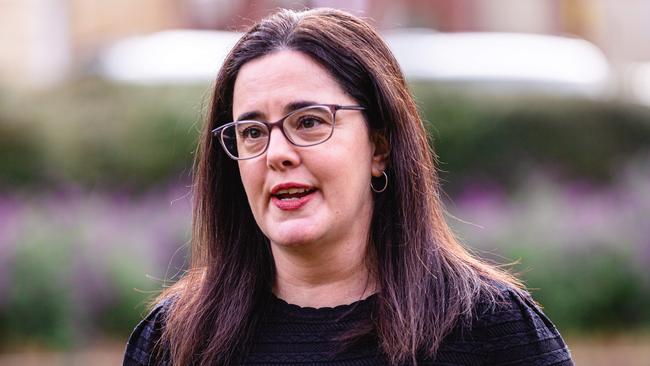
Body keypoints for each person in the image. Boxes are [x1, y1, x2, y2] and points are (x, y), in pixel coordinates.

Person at [123, 7, 573, 366]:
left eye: (310, 122)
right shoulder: (174, 342)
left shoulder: (491, 331)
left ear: (379, 146)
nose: (277, 153)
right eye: (252, 132)